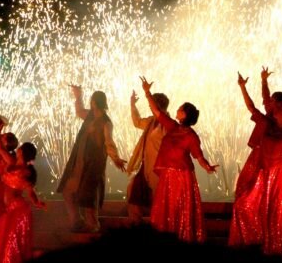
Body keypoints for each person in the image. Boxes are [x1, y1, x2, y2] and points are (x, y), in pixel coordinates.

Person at [228, 71, 282, 256]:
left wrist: (263, 82)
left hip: (280, 177)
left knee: (276, 213)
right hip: (262, 172)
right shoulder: (266, 123)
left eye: (278, 106)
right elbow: (254, 105)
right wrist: (244, 86)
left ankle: (275, 246)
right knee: (244, 203)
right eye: (273, 105)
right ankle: (256, 239)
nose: (273, 107)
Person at [139, 76, 218, 243]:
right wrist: (147, 93)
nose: (178, 109)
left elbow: (199, 156)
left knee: (179, 208)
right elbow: (157, 112)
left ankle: (183, 238)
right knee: (166, 207)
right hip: (168, 175)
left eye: (180, 109)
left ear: (185, 115)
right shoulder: (172, 126)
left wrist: (207, 167)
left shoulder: (191, 136)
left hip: (182, 177)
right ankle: (165, 237)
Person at [57, 85, 127, 233]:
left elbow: (109, 142)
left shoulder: (106, 122)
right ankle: (77, 221)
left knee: (89, 196)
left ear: (95, 102)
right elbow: (79, 111)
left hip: (93, 164)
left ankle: (93, 225)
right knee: (68, 191)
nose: (90, 102)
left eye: (91, 100)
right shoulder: (90, 115)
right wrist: (78, 96)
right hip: (79, 161)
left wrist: (116, 158)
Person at [126, 90, 169, 225]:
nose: (150, 107)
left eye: (151, 104)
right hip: (145, 166)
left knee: (158, 199)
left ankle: (159, 228)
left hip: (159, 168)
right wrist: (133, 105)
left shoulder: (168, 124)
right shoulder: (151, 121)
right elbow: (137, 122)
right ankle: (135, 225)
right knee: (133, 191)